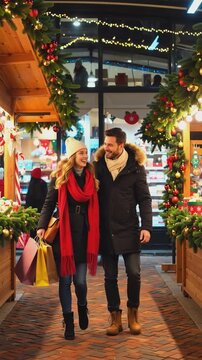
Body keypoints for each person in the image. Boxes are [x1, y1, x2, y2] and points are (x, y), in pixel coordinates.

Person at [37, 138, 99, 341]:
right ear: (72, 156)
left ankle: (82, 306)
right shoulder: (60, 178)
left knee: (79, 282)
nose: (84, 157)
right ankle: (68, 321)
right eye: (80, 153)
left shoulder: (91, 178)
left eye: (85, 153)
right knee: (65, 282)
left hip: (84, 234)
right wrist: (41, 227)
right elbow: (48, 204)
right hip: (64, 235)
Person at [93, 127, 152, 336]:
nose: (105, 148)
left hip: (129, 228)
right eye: (105, 144)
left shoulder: (135, 167)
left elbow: (144, 198)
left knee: (134, 273)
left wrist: (146, 226)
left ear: (120, 145)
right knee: (110, 276)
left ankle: (133, 314)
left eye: (110, 144)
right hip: (106, 229)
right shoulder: (98, 167)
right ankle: (115, 318)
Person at [25, 167, 47, 237]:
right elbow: (46, 197)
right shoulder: (43, 183)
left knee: (32, 229)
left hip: (31, 211)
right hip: (41, 211)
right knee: (40, 228)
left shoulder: (31, 183)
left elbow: (28, 198)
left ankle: (32, 243)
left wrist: (26, 209)